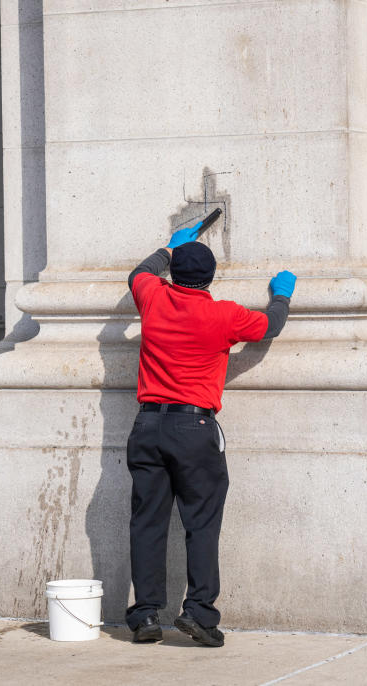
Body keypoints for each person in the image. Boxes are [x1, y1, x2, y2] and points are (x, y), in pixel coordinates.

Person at [124, 220, 295, 647]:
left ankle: (146, 615)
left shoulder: (153, 297)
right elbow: (270, 325)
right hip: (193, 427)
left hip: (147, 425)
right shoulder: (223, 314)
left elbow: (137, 274)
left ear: (173, 274)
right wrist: (282, 294)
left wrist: (169, 247)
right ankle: (198, 614)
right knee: (200, 523)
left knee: (147, 522)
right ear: (210, 278)